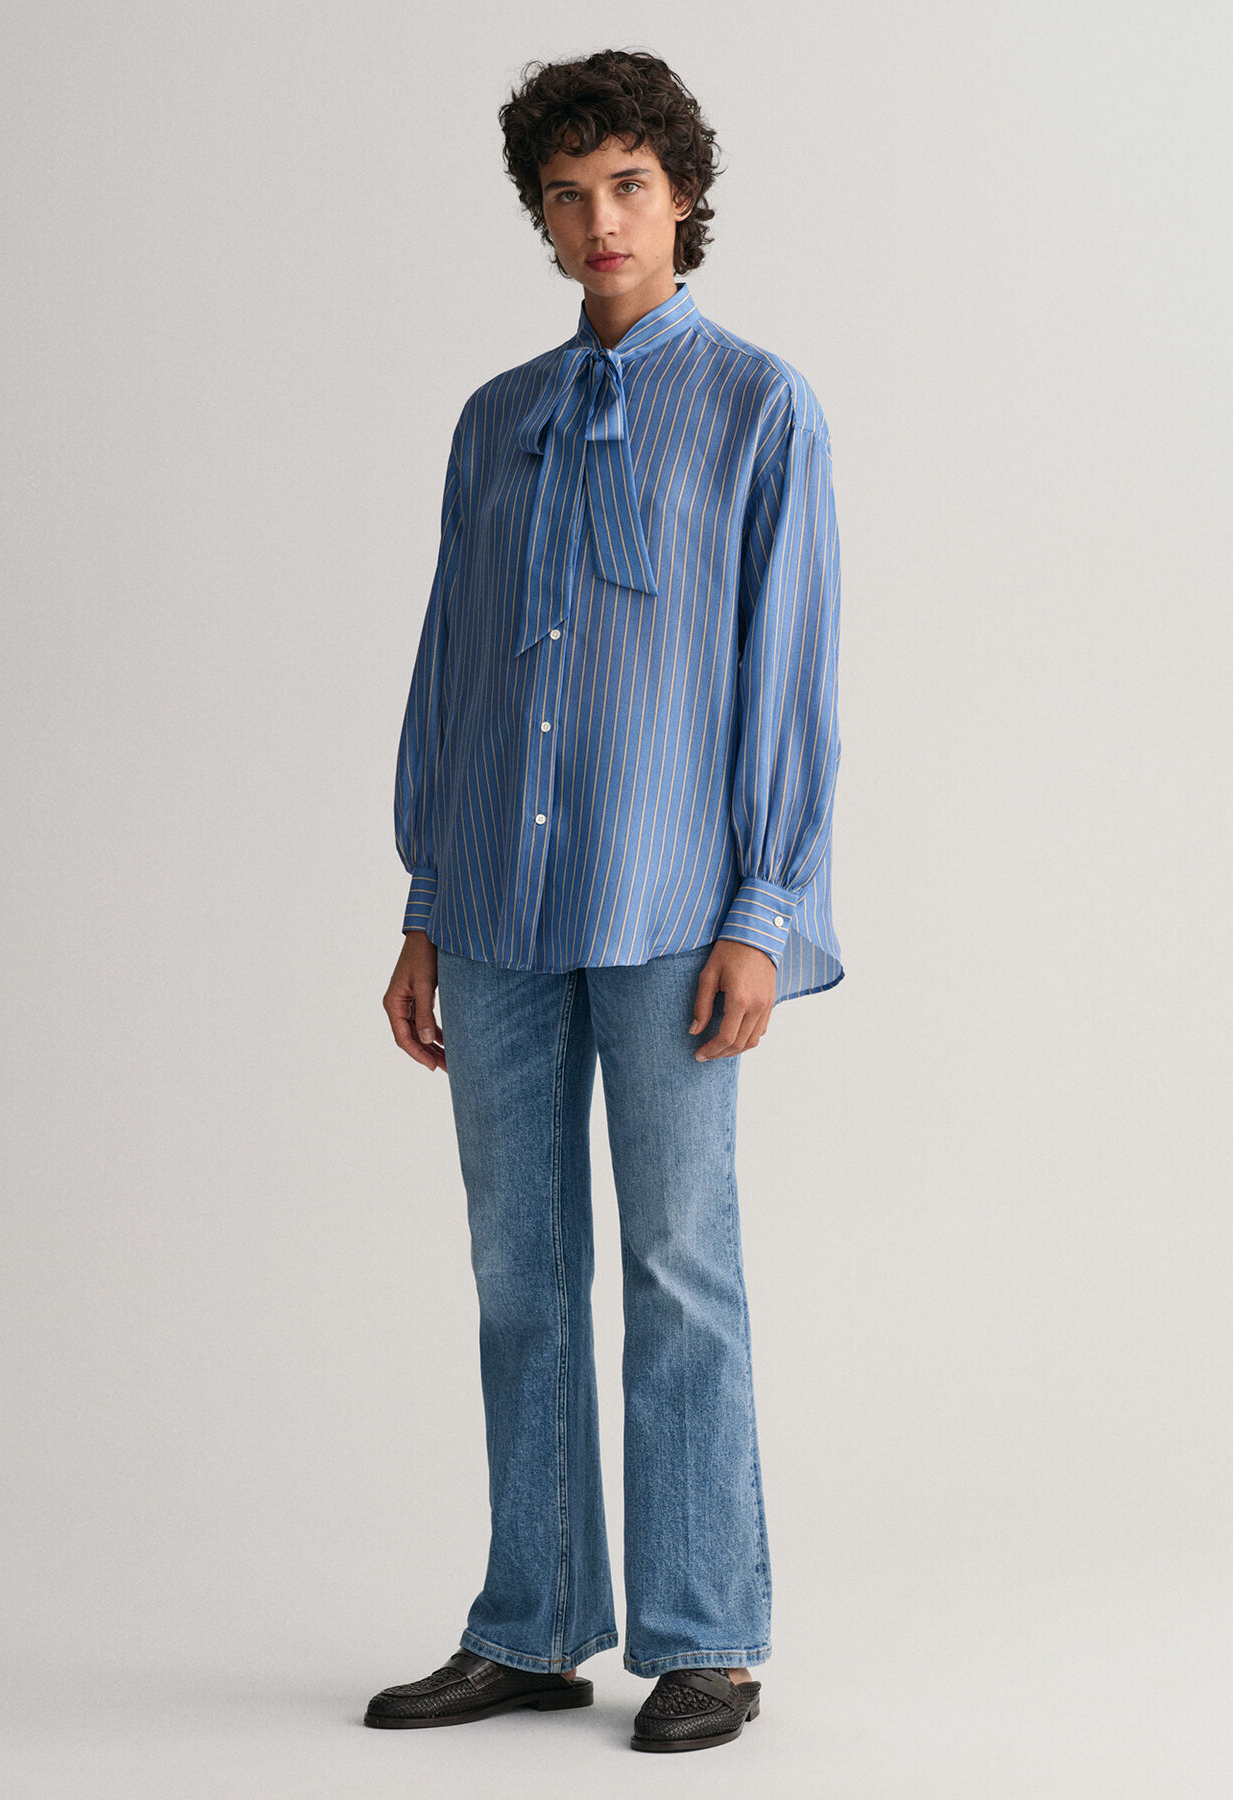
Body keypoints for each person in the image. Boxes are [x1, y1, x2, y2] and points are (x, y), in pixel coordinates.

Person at [365, 47, 843, 1755]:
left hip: (673, 914)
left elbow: (789, 678)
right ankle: (534, 1625)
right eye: (566, 197)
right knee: (519, 1270)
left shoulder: (761, 407)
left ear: (682, 193)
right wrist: (426, 902)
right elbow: (452, 670)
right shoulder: (494, 420)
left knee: (678, 1262)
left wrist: (765, 912)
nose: (598, 223)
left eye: (627, 186)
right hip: (498, 903)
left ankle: (709, 1638)